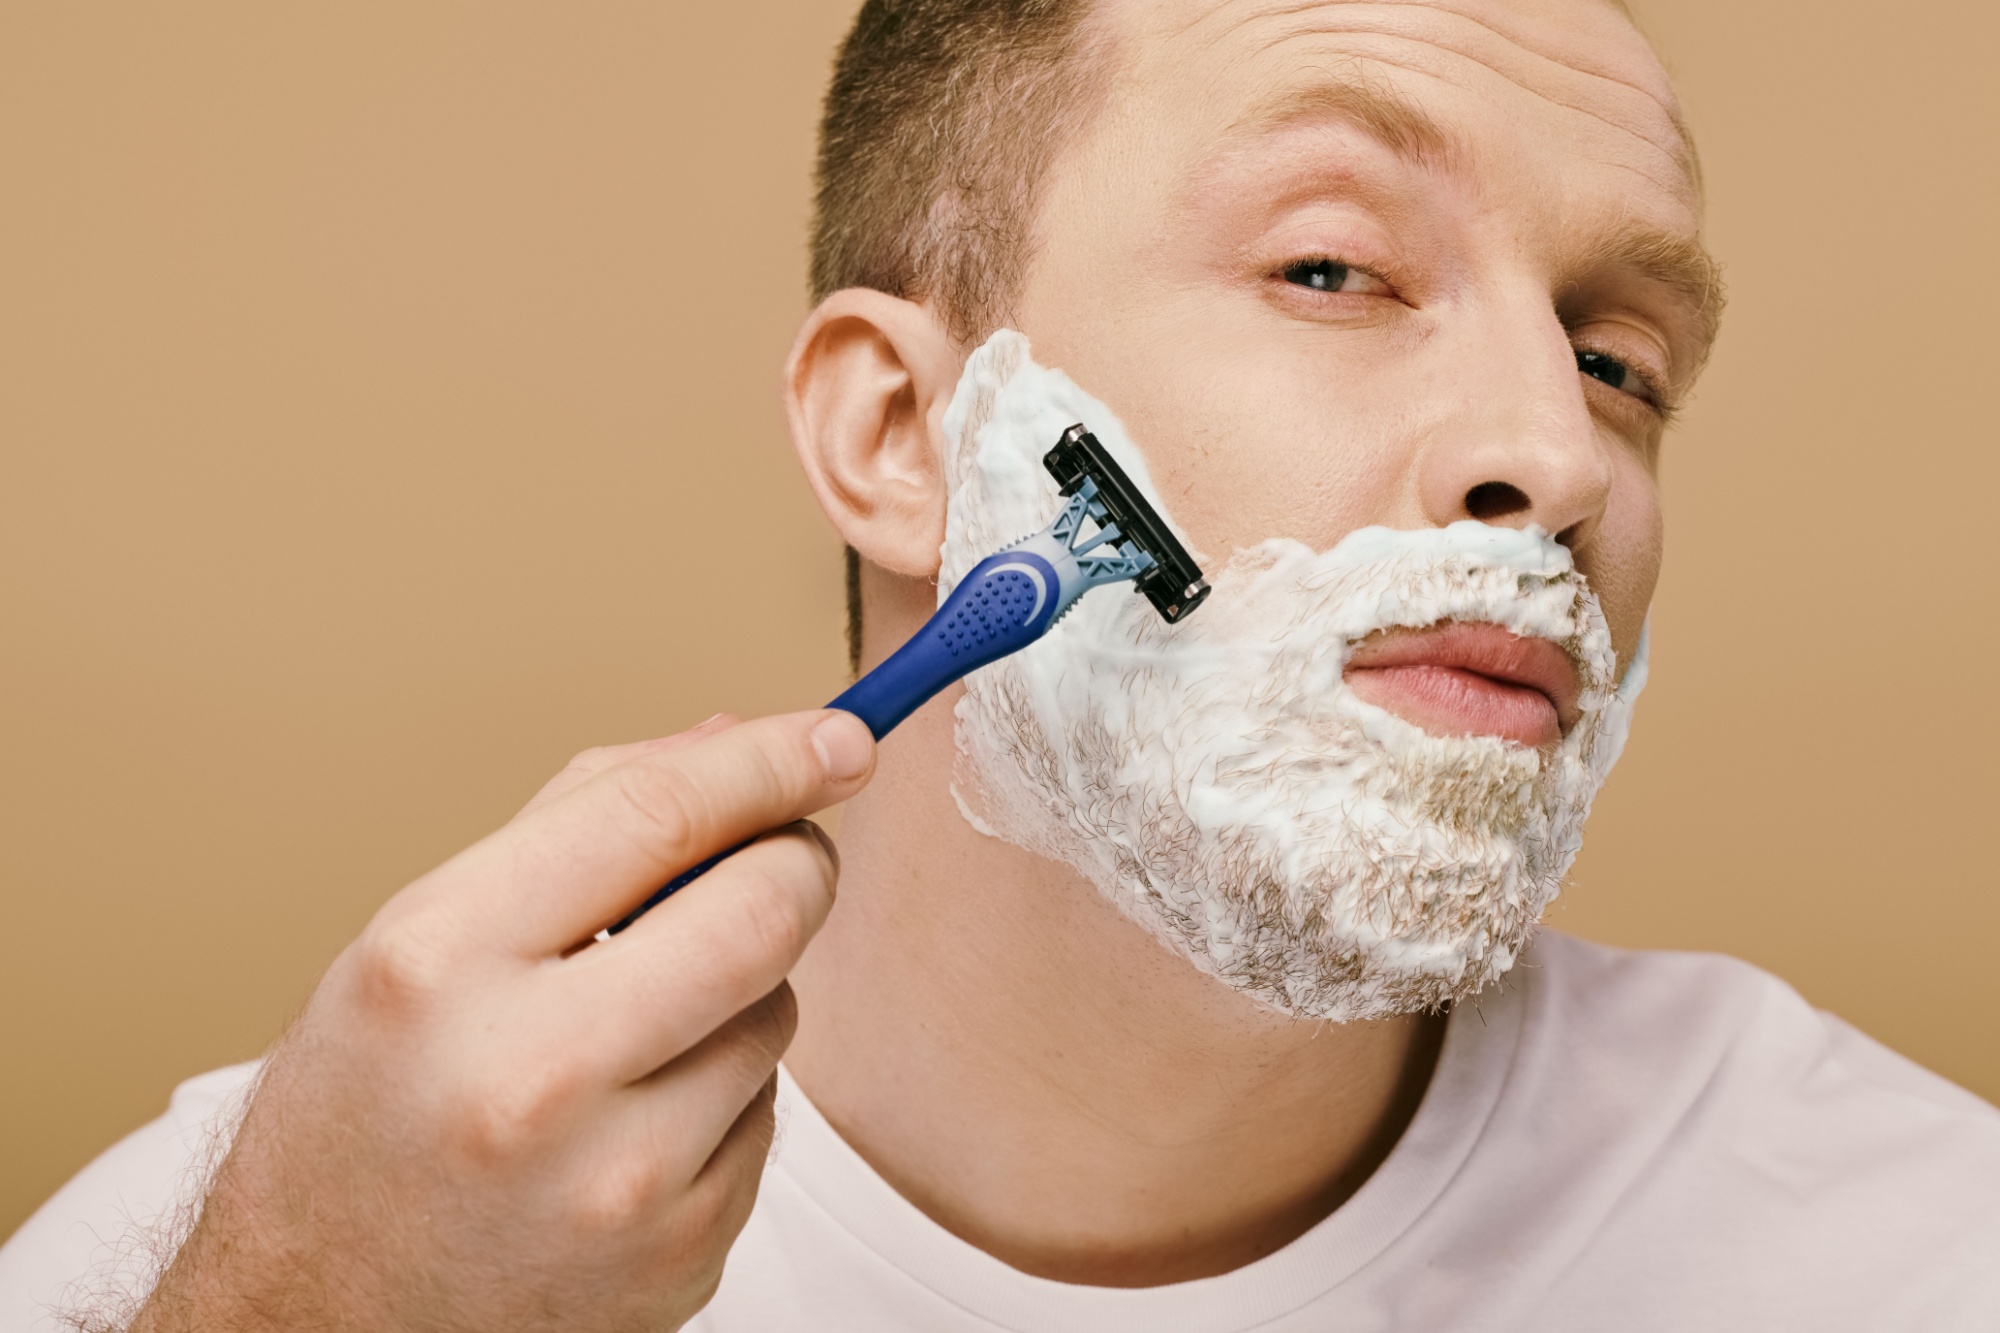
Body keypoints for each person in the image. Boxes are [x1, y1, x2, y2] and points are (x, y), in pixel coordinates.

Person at [5, 0, 1998, 1328]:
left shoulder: (1909, 1244)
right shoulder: (309, 1249)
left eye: (1619, 360)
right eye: (1331, 266)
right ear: (898, 438)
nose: (1555, 456)